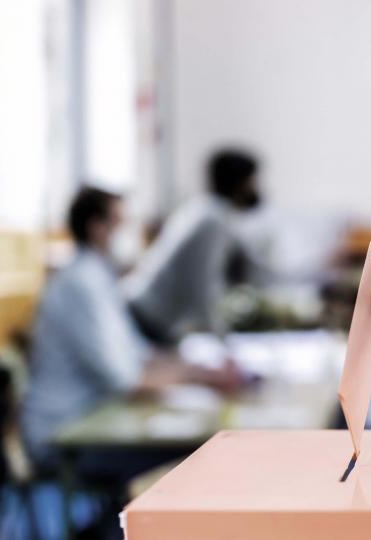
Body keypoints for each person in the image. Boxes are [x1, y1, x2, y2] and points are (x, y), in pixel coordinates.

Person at [20, 187, 241, 477]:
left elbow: (140, 354)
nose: (125, 230)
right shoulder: (80, 284)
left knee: (200, 450)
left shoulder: (98, 275)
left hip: (97, 421)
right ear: (96, 227)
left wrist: (200, 371)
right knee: (195, 458)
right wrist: (199, 378)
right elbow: (125, 379)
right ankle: (120, 522)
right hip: (64, 434)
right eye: (117, 221)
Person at [124, 149, 265, 343]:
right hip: (147, 318)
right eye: (252, 181)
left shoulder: (205, 210)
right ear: (239, 182)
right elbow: (203, 286)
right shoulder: (213, 221)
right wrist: (223, 340)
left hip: (145, 313)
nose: (256, 188)